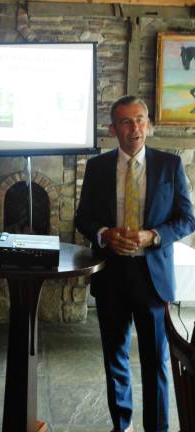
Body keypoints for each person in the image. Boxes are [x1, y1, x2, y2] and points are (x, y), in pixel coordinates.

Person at [75, 95, 195, 432]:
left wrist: (152, 236)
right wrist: (103, 234)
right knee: (115, 359)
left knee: (156, 362)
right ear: (113, 128)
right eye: (126, 122)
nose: (135, 128)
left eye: (140, 119)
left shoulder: (169, 165)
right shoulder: (97, 167)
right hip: (111, 274)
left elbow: (187, 219)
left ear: (149, 124)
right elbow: (83, 217)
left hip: (152, 277)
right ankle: (122, 425)